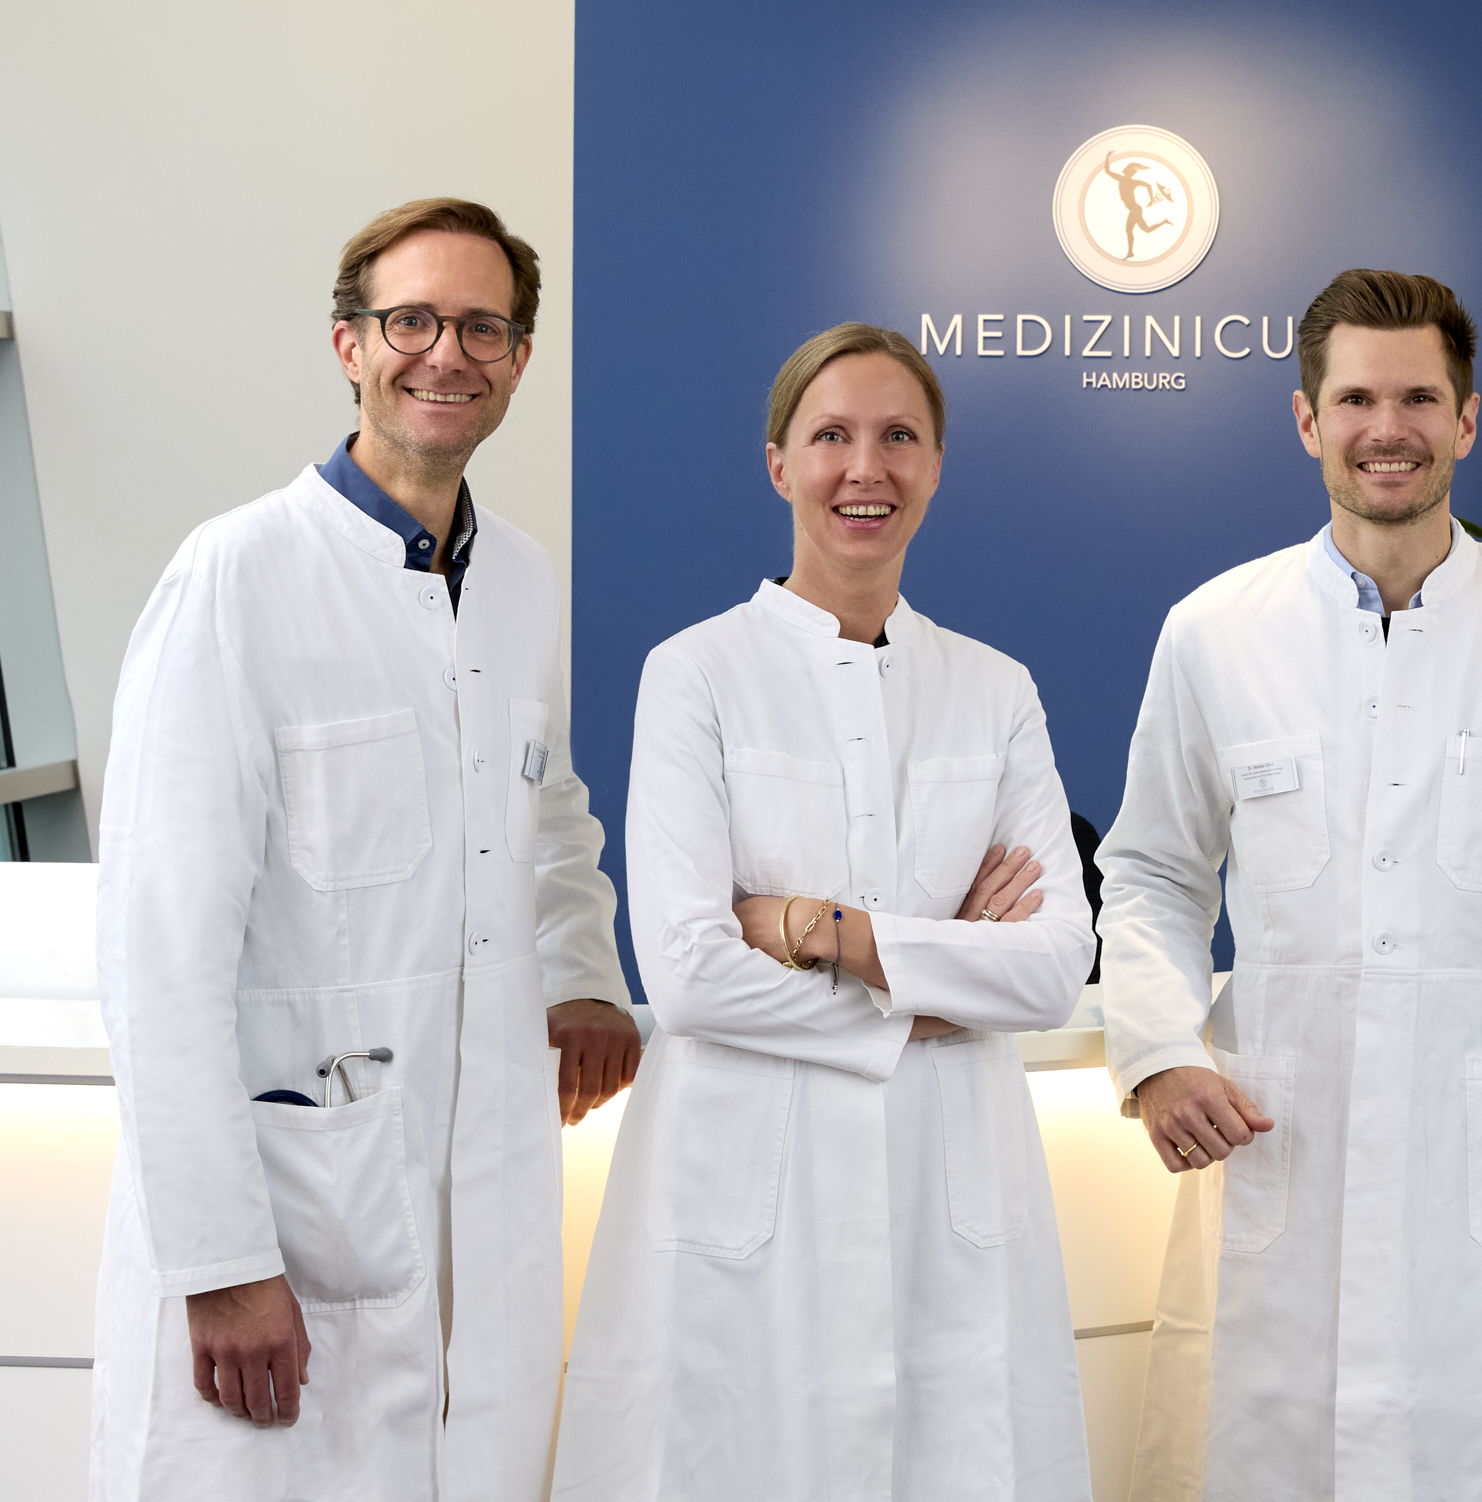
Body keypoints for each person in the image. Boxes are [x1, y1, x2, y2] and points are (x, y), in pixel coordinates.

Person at [1098, 269, 1482, 1502]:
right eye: (1356, 399)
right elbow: (1150, 871)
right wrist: (1155, 1051)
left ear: (1466, 421)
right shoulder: (1215, 631)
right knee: (1276, 1456)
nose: (1388, 428)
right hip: (1285, 1142)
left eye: (1419, 398)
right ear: (1307, 420)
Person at [89, 198, 641, 1501]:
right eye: (411, 321)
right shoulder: (235, 577)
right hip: (296, 1215)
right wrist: (221, 1261)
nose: (447, 353)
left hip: (480, 1199)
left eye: (483, 327)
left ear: (519, 358)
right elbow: (157, 948)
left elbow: (544, 800)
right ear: (349, 343)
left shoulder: (521, 578)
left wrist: (582, 970)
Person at [552, 323, 1096, 1500]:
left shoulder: (993, 691)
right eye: (832, 436)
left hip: (950, 1185)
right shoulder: (697, 673)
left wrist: (819, 931)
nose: (866, 468)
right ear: (778, 464)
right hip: (745, 1182)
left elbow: (1056, 965)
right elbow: (689, 971)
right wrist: (934, 985)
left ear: (936, 466)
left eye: (899, 437)